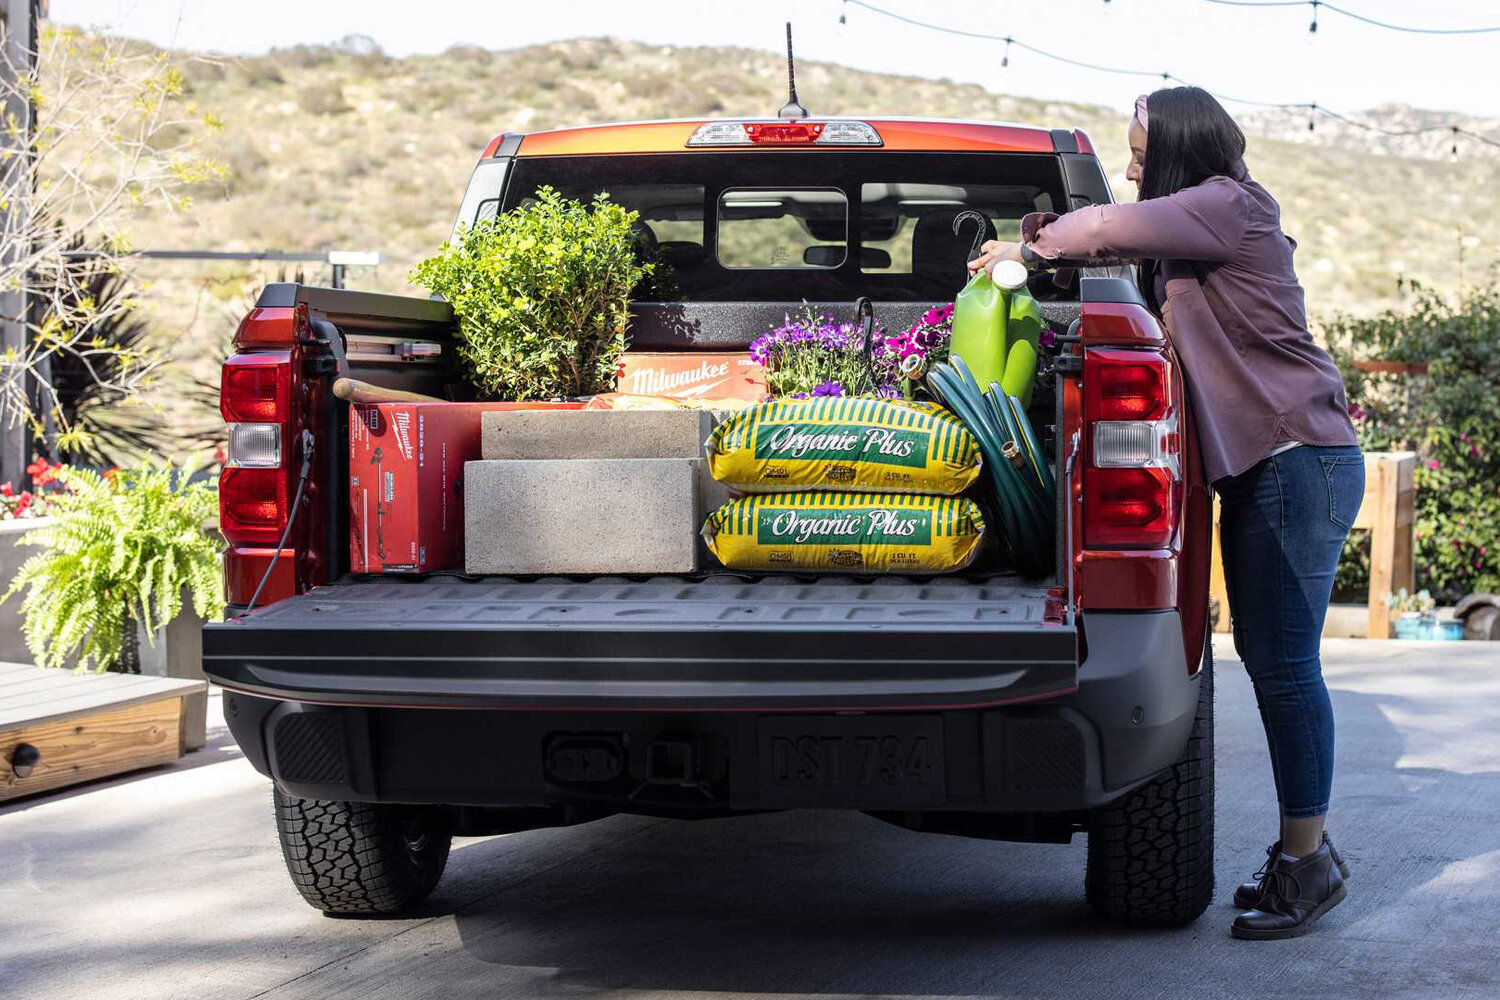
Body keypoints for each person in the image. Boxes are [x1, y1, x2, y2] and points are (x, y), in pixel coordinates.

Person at [970, 86, 1363, 940]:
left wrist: (1026, 242)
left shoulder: (1229, 206)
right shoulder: (1195, 232)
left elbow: (1104, 226)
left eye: (1143, 149)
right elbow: (1109, 255)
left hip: (1299, 460)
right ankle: (1305, 854)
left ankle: (1310, 860)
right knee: (1270, 658)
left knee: (1287, 665)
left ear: (1183, 145)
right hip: (1271, 467)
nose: (1134, 162)